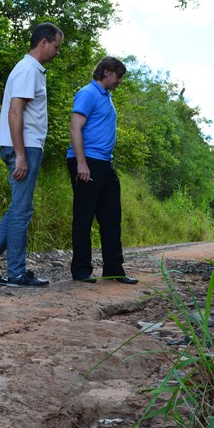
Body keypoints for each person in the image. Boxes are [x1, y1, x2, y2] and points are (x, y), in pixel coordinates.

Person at [0, 23, 63, 288]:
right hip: (23, 146)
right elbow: (15, 113)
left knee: (18, 209)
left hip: (24, 145)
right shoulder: (27, 70)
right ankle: (16, 273)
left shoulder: (31, 70)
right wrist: (21, 155)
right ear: (43, 42)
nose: (58, 52)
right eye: (56, 47)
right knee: (22, 211)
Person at [66, 56, 137, 284]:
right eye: (118, 76)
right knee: (84, 216)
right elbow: (75, 128)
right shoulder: (88, 93)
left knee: (111, 216)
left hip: (105, 162)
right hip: (87, 161)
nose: (119, 81)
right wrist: (81, 163)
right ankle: (81, 270)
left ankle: (114, 270)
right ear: (106, 72)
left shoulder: (107, 97)